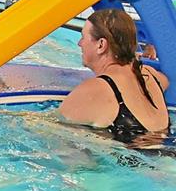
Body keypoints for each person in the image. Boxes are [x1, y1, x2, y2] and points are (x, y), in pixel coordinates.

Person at [59, 8, 170, 143]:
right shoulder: (150, 74)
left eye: (83, 37)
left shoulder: (95, 90)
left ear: (101, 45)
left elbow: (56, 131)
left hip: (135, 161)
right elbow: (165, 82)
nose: (79, 43)